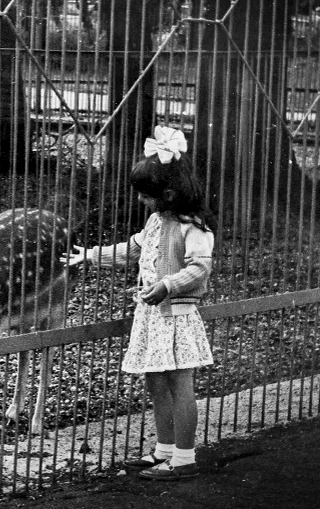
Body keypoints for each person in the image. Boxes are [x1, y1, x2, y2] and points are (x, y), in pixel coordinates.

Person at [63, 125, 216, 481]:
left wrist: (167, 284)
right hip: (151, 317)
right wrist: (90, 255)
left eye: (146, 195)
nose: (140, 201)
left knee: (180, 384)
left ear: (169, 192)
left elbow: (200, 268)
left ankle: (184, 457)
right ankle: (163, 451)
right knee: (155, 383)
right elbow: (133, 249)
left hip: (176, 315)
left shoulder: (193, 227)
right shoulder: (155, 221)